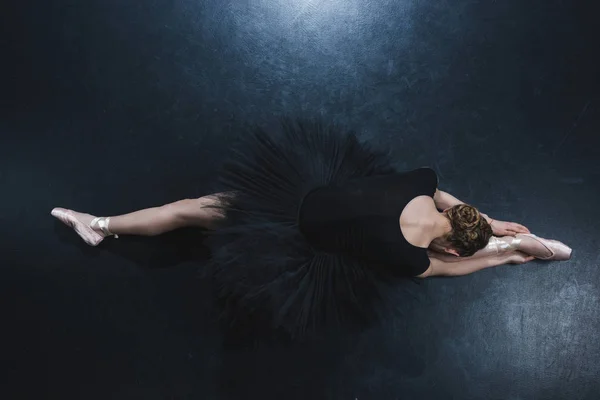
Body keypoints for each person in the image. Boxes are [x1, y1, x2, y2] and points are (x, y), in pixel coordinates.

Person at [51, 119, 571, 336]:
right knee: (191, 212)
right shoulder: (410, 256)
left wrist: (493, 226)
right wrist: (497, 251)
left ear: (460, 219)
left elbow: (448, 200)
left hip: (293, 208)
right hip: (288, 216)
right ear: (455, 245)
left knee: (190, 209)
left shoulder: (423, 182)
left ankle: (100, 224)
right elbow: (445, 270)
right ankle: (99, 225)